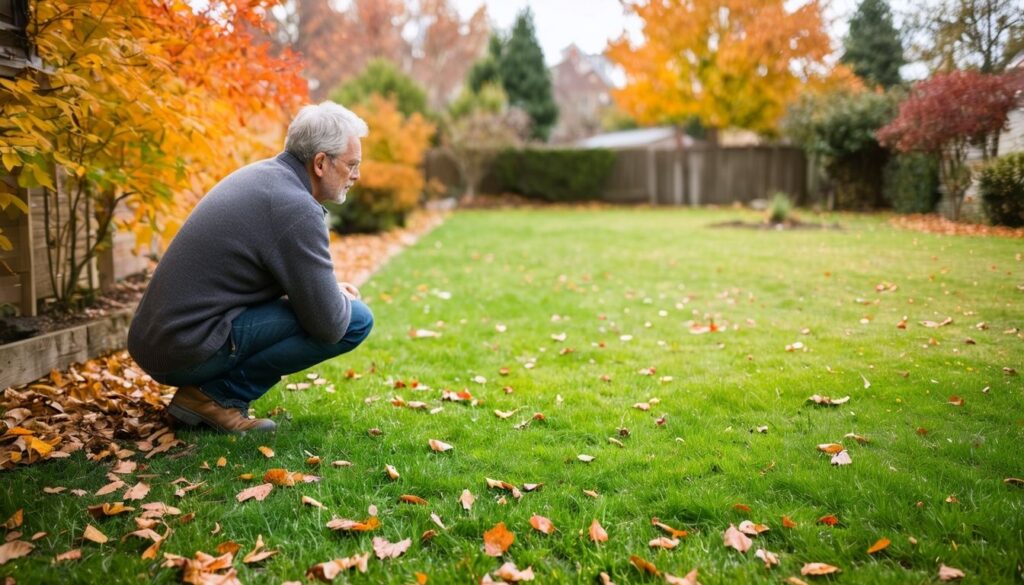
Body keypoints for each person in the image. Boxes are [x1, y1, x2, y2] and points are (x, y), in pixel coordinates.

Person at [127, 102, 374, 433]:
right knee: (355, 320)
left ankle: (205, 395)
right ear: (320, 163)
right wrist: (332, 300)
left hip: (162, 340)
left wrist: (328, 293)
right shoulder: (295, 207)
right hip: (183, 349)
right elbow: (329, 326)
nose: (356, 175)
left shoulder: (266, 177)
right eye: (351, 164)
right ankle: (215, 398)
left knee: (334, 309)